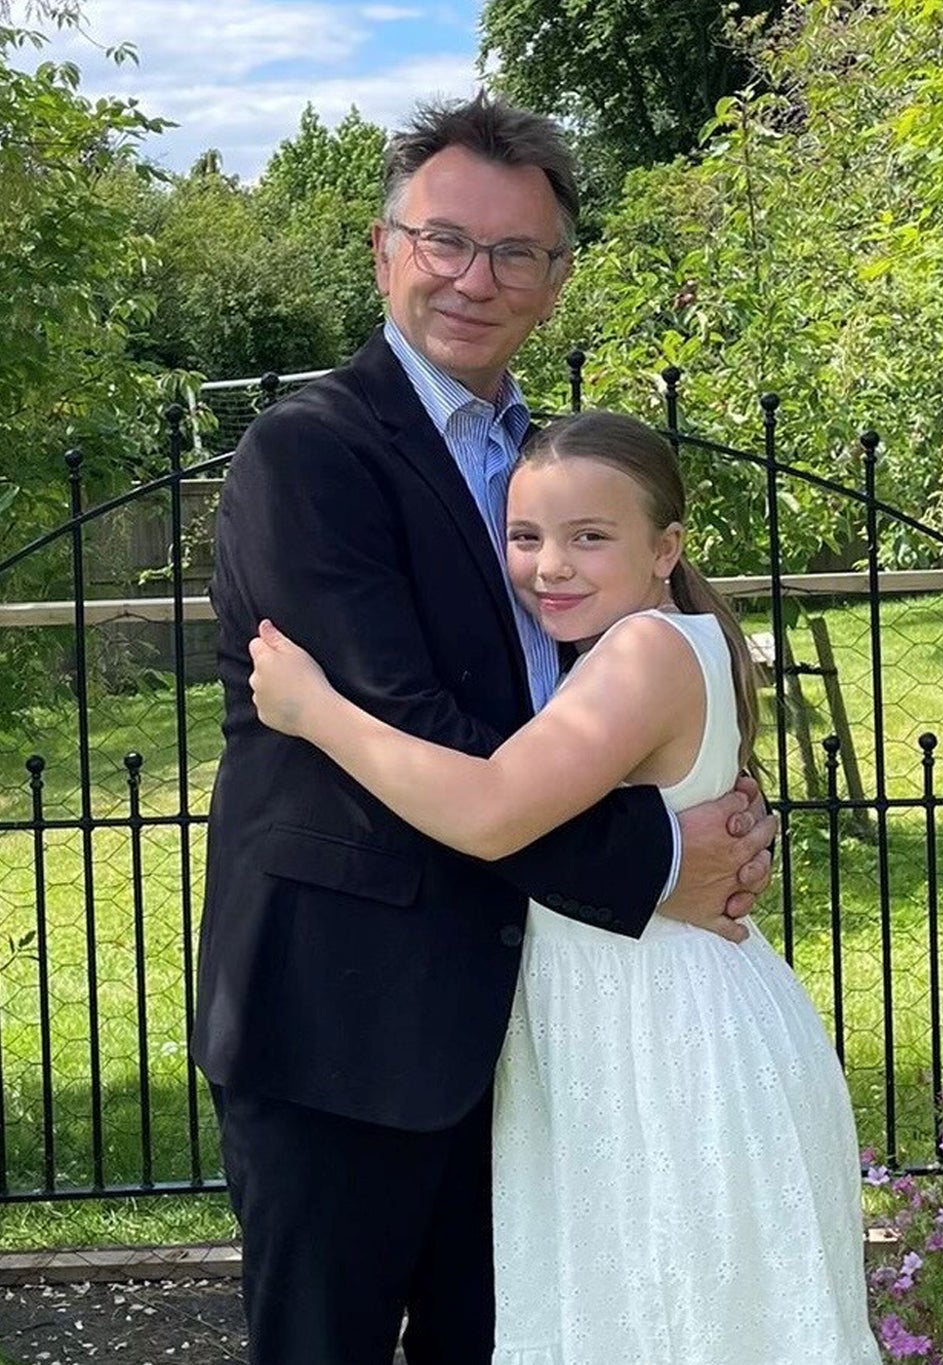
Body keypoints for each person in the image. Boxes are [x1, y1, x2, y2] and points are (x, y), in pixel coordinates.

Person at [196, 95, 776, 1365]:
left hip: (537, 1023)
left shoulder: (550, 468)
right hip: (348, 1016)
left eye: (517, 253)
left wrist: (714, 802)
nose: (476, 278)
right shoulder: (307, 457)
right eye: (445, 239)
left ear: (557, 278)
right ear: (381, 248)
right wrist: (665, 863)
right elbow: (427, 736)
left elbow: (620, 695)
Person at [247, 409, 881, 1364]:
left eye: (590, 537)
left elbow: (493, 808)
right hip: (664, 1004)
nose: (551, 566)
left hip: (660, 1032)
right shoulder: (677, 638)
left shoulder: (639, 653)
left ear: (666, 546)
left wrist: (317, 710)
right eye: (526, 536)